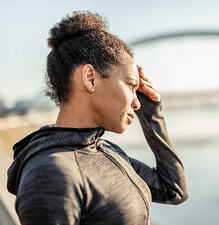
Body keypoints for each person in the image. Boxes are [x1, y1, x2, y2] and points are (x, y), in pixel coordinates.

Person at [7, 11, 188, 224]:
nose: (137, 102)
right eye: (131, 86)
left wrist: (151, 115)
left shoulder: (108, 151)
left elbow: (173, 190)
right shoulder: (50, 174)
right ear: (90, 78)